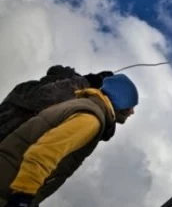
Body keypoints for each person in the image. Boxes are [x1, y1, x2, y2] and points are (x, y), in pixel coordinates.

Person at [0, 73, 139, 207]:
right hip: (7, 189)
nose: (132, 112)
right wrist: (22, 196)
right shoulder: (91, 119)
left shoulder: (81, 105)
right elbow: (43, 152)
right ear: (122, 101)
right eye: (132, 105)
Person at [0, 65, 114, 143]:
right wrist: (87, 81)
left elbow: (99, 132)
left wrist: (106, 104)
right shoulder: (27, 89)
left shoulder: (66, 110)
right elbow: (46, 97)